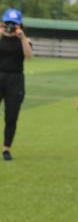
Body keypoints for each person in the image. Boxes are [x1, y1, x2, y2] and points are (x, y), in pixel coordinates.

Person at [0, 8, 32, 160]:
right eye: (8, 23)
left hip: (16, 80)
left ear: (19, 24)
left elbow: (29, 56)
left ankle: (6, 148)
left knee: (11, 117)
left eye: (14, 23)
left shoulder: (24, 39)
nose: (10, 26)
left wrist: (22, 37)